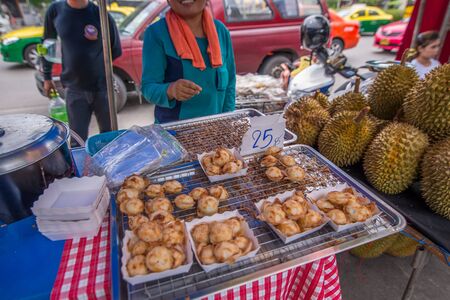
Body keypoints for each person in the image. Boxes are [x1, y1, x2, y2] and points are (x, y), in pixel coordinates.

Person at [141, 0, 236, 123]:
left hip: (214, 131)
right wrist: (171, 90)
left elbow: (230, 85)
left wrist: (227, 122)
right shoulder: (156, 33)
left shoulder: (221, 31)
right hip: (174, 134)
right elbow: (148, 88)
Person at [42, 0, 122, 142]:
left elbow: (115, 49)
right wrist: (47, 77)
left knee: (110, 138)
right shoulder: (55, 10)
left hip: (103, 88)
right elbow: (46, 44)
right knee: (77, 140)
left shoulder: (101, 14)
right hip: (74, 89)